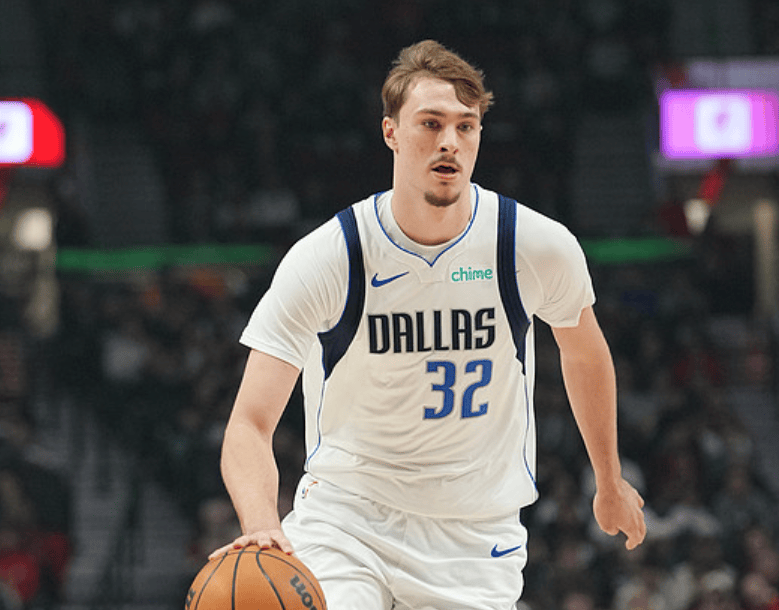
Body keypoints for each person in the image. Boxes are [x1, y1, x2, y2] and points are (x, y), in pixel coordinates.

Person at [210, 40, 646, 609]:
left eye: (466, 126)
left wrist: (609, 480)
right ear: (391, 132)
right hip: (347, 522)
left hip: (473, 535)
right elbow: (249, 423)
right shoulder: (332, 256)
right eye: (431, 123)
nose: (450, 142)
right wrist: (263, 524)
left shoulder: (532, 245)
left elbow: (584, 353)